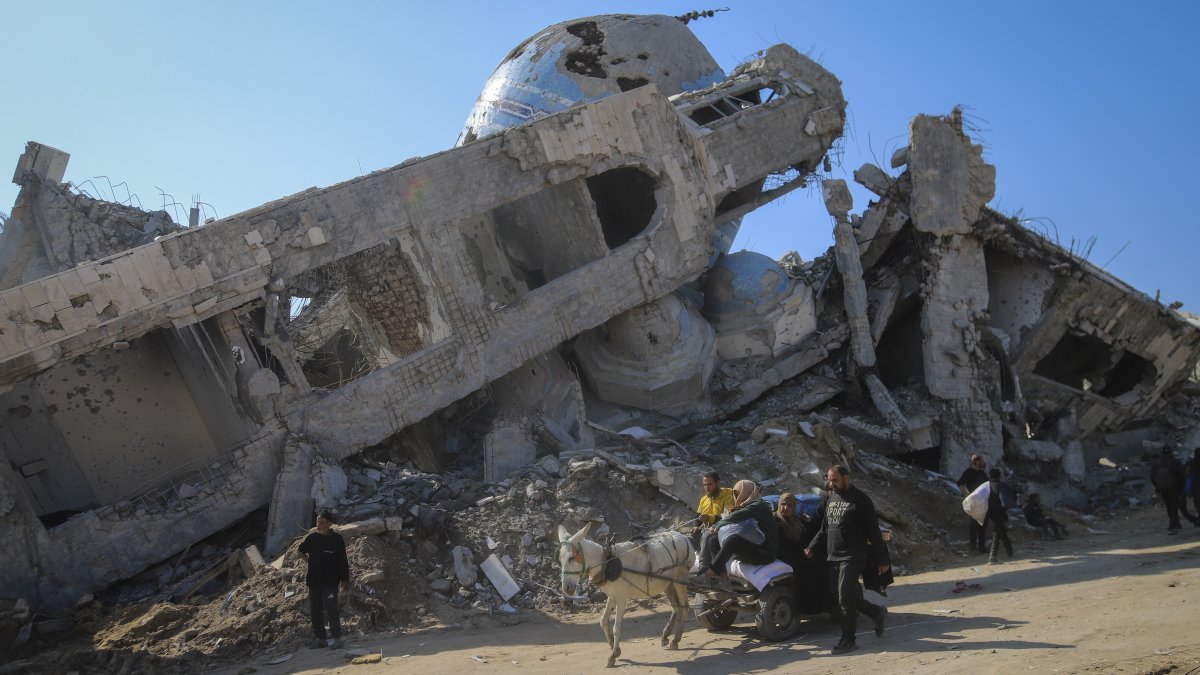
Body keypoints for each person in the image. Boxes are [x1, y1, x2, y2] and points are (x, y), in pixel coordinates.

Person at [805, 464, 889, 656]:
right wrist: (812, 546)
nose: (831, 484)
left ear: (846, 478)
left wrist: (882, 560)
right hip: (833, 555)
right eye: (829, 480)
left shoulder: (861, 500)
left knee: (844, 596)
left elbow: (874, 533)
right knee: (840, 596)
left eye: (835, 480)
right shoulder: (831, 498)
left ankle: (848, 640)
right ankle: (876, 612)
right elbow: (825, 529)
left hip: (853, 555)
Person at [697, 479, 778, 580]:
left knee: (733, 540)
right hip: (752, 547)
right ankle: (723, 578)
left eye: (737, 493)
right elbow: (729, 518)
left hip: (765, 552)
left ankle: (709, 573)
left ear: (746, 492)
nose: (735, 497)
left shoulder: (759, 506)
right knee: (713, 540)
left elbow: (736, 516)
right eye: (734, 494)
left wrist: (717, 526)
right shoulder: (744, 506)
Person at [299, 509, 350, 649]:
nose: (319, 525)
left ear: (329, 524)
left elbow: (342, 561)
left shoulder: (337, 539)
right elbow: (300, 550)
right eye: (317, 522)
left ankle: (337, 638)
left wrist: (345, 580)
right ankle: (321, 639)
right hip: (314, 582)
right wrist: (309, 561)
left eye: (322, 523)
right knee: (315, 611)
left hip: (330, 582)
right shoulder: (312, 538)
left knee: (331, 609)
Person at [1150, 447, 1189, 534]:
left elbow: (1152, 477)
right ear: (1171, 453)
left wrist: (1158, 487)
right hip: (1175, 488)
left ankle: (1174, 523)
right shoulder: (1175, 462)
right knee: (1174, 506)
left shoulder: (1157, 463)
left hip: (1163, 488)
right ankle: (1174, 524)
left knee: (1169, 506)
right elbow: (1181, 476)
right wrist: (1182, 488)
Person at [957, 454, 989, 554]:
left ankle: (981, 548)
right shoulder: (969, 472)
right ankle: (973, 548)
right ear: (977, 461)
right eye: (982, 460)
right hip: (974, 502)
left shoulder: (983, 474)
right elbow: (960, 483)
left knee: (982, 524)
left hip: (983, 502)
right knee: (974, 524)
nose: (984, 462)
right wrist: (967, 496)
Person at [986, 469, 1014, 563]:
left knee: (1001, 530)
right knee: (997, 533)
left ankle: (1010, 551)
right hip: (999, 512)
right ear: (999, 476)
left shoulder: (985, 486)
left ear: (990, 476)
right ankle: (993, 556)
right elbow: (1009, 499)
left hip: (988, 513)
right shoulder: (1001, 485)